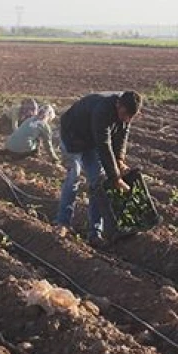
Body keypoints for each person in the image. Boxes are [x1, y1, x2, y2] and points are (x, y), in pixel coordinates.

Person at [54, 91, 142, 245]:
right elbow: (104, 145)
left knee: (98, 182)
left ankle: (95, 233)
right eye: (124, 114)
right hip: (72, 137)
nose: (126, 119)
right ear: (118, 105)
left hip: (90, 142)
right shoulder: (102, 109)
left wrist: (120, 159)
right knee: (74, 174)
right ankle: (63, 223)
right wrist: (116, 178)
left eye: (130, 117)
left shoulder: (127, 112)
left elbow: (122, 136)